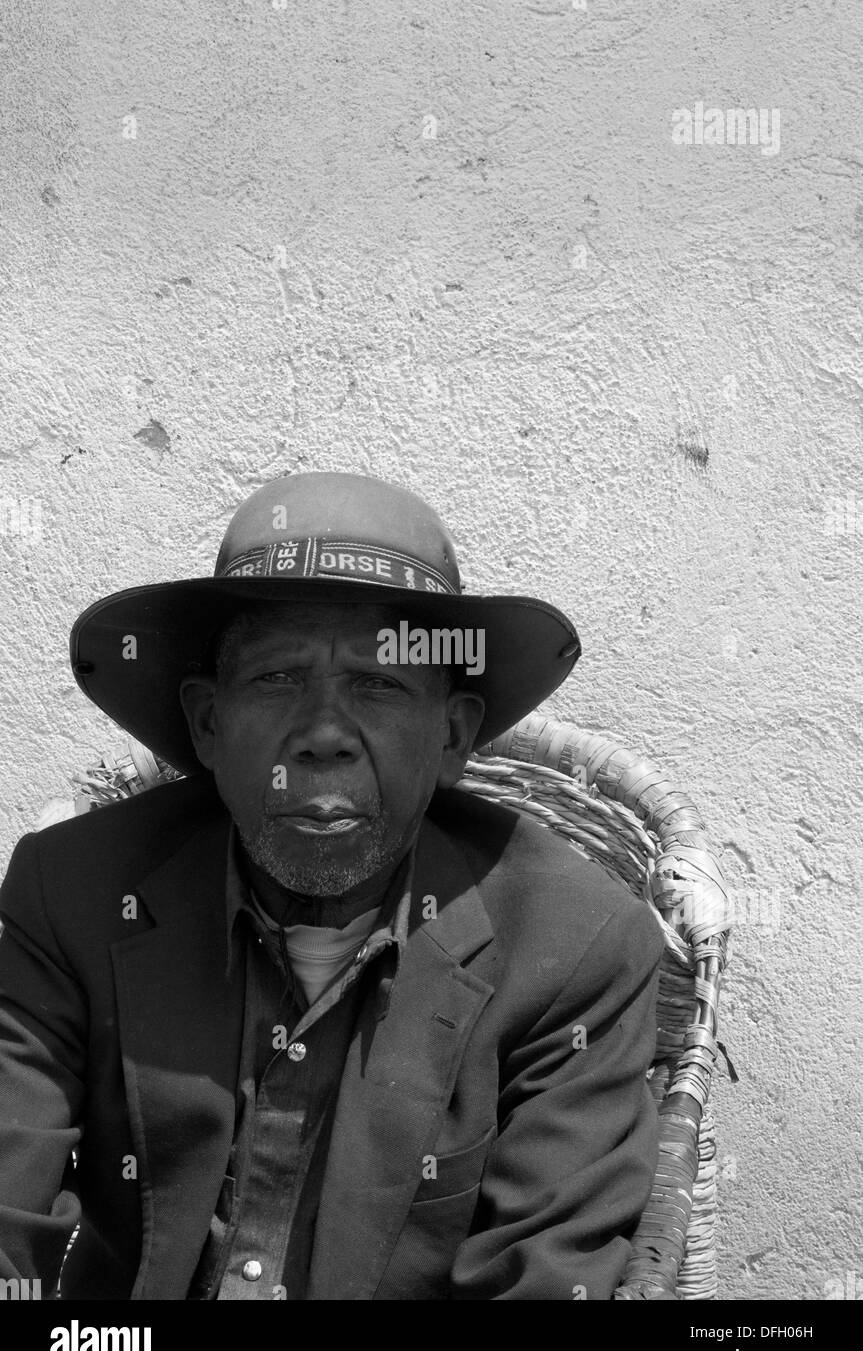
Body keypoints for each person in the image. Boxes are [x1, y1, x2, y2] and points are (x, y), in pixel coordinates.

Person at [0, 471, 664, 1300]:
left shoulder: (575, 946)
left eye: (378, 684)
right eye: (278, 678)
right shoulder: (71, 891)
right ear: (207, 723)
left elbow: (548, 1273)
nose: (322, 736)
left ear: (453, 736)